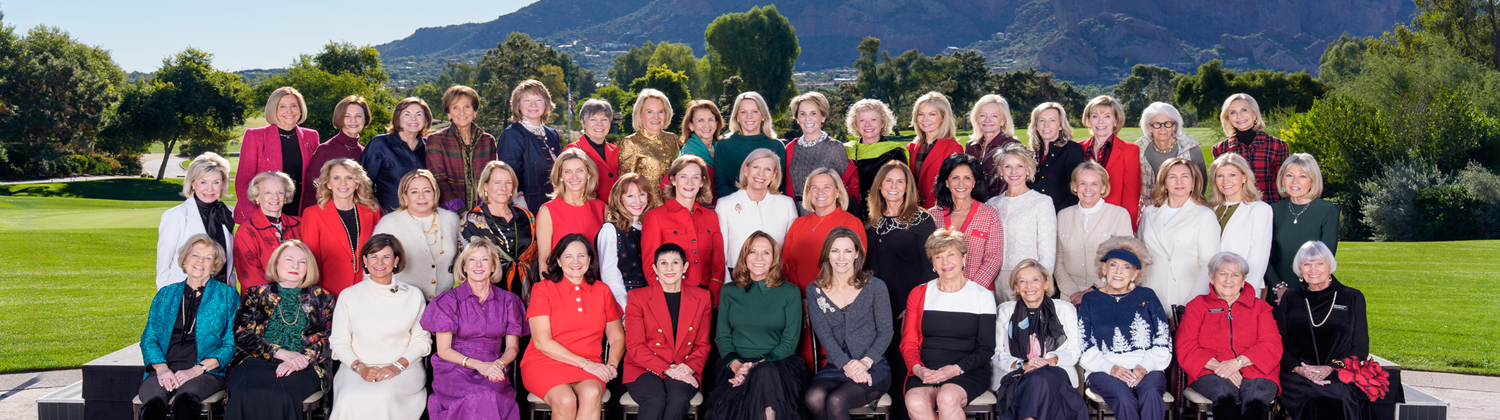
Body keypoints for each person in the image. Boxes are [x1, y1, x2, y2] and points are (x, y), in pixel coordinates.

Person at [422, 238, 531, 420]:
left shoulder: (509, 301)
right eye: (472, 260)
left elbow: (513, 347)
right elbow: (443, 350)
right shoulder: (447, 301)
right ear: (464, 267)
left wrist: (499, 365)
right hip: (454, 367)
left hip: (494, 363)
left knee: (490, 395)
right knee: (474, 396)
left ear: (493, 266)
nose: (478, 265)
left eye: (485, 259)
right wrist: (479, 365)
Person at [520, 234, 626, 420]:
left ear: (590, 260)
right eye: (568, 256)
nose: (575, 261)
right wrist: (586, 364)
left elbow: (617, 337)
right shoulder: (543, 289)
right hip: (544, 361)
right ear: (558, 261)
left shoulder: (602, 290)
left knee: (592, 393)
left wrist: (611, 365)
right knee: (565, 400)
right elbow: (542, 342)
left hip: (590, 362)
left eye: (581, 256)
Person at [704, 232, 808, 420]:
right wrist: (738, 367)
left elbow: (790, 341)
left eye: (766, 252)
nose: (759, 258)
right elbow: (722, 337)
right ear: (745, 256)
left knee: (765, 373)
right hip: (735, 364)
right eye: (753, 251)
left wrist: (756, 366)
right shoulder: (728, 291)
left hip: (777, 364)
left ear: (774, 258)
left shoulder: (790, 292)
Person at [226, 240, 334, 420]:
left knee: (281, 394)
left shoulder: (323, 297)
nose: (295, 266)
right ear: (276, 263)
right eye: (289, 259)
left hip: (304, 364)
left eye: (302, 261)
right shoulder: (255, 294)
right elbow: (241, 334)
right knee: (245, 392)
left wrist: (302, 359)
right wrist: (278, 352)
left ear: (309, 267)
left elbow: (329, 337)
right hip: (255, 360)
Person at [329, 234, 433, 419]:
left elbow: (422, 341)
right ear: (365, 260)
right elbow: (339, 342)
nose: (379, 262)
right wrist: (361, 368)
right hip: (355, 367)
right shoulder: (348, 296)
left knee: (383, 396)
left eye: (386, 257)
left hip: (404, 368)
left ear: (396, 261)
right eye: (373, 256)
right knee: (349, 398)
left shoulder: (413, 295)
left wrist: (396, 367)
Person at [862, 161, 937, 414]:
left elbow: (930, 267)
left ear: (907, 187)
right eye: (889, 181)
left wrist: (912, 306)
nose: (894, 186)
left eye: (900, 182)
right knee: (885, 363)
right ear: (879, 185)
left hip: (910, 304)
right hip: (878, 306)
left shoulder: (921, 219)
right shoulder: (871, 220)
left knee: (906, 363)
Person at [138, 235, 239, 420]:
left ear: (214, 265)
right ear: (184, 259)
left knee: (185, 402)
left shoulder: (227, 296)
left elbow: (231, 343)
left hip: (206, 371)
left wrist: (197, 369)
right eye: (195, 255)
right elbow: (149, 338)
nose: (200, 261)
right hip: (164, 366)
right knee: (153, 403)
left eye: (208, 258)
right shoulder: (165, 294)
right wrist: (162, 368)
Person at [901, 230, 997, 420]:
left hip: (967, 370)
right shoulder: (919, 293)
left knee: (947, 398)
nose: (945, 262)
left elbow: (986, 349)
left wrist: (954, 369)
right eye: (938, 257)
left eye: (951, 254)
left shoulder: (982, 296)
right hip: (926, 370)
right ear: (933, 263)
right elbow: (908, 343)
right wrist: (919, 369)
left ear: (964, 257)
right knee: (915, 401)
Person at [1176, 252, 1283, 420]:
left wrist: (1236, 363)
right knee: (1226, 399)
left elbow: (1271, 344)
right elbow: (1186, 346)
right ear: (1211, 277)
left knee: (1255, 401)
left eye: (1235, 275)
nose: (1228, 280)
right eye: (1222, 274)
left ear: (1244, 279)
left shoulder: (1260, 307)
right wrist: (1221, 367)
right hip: (1210, 370)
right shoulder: (1197, 306)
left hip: (1256, 369)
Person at [1076, 237, 1172, 420]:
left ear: (1135, 274)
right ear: (1104, 268)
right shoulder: (1090, 300)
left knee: (1151, 393)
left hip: (1147, 367)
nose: (1119, 271)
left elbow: (1163, 338)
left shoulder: (1148, 296)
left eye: (1127, 267)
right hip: (1103, 370)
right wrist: (1111, 368)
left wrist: (1144, 367)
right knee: (1124, 397)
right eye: (1113, 265)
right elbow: (1084, 343)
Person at [804, 227, 894, 420]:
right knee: (814, 397)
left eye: (847, 251)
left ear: (857, 254)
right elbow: (824, 335)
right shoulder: (814, 290)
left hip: (873, 364)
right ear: (827, 254)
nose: (841, 257)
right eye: (835, 251)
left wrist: (865, 363)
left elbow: (886, 332)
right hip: (837, 366)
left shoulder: (875, 287)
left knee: (836, 400)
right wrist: (846, 365)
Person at [1276, 241, 1368, 420]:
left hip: (1338, 371)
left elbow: (1361, 347)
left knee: (1339, 398)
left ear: (1330, 266)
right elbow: (1279, 343)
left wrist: (1331, 368)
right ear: (1299, 269)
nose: (1313, 270)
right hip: (1297, 374)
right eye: (1307, 264)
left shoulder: (1352, 297)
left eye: (1319, 263)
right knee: (1313, 397)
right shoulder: (1290, 298)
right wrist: (1298, 369)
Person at [624, 244, 715, 420]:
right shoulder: (638, 297)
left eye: (675, 262)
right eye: (663, 263)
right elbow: (635, 346)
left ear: (685, 267)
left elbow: (703, 344)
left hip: (684, 365)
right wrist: (668, 370)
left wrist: (688, 367)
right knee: (655, 400)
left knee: (678, 399)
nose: (669, 268)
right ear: (655, 268)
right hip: (643, 367)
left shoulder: (702, 297)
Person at [990, 260, 1088, 420]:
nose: (1029, 286)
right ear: (1016, 287)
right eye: (1022, 281)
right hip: (1016, 373)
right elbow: (996, 353)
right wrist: (1023, 364)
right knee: (1037, 381)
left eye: (1035, 279)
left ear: (1046, 283)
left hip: (1056, 370)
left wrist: (1050, 360)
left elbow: (1075, 350)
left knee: (1039, 379)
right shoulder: (1005, 311)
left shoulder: (1064, 309)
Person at [1138, 157, 1221, 311]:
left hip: (1185, 296)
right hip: (1150, 295)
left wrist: (1189, 307)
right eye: (1172, 177)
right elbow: (1140, 256)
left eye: (1185, 176)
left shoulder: (1204, 215)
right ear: (1164, 182)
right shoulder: (1149, 213)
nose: (1179, 182)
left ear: (1194, 182)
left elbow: (1209, 266)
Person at [642, 155, 726, 301]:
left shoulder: (711, 217)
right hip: (671, 295)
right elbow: (650, 265)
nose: (689, 183)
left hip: (706, 295)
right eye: (683, 176)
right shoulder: (655, 216)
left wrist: (713, 295)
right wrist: (665, 298)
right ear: (673, 180)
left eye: (695, 177)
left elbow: (718, 263)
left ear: (702, 182)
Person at [371, 169, 462, 299]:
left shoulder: (451, 220)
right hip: (402, 301)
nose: (421, 197)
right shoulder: (389, 223)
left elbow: (461, 260)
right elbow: (373, 265)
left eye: (427, 191)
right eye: (414, 192)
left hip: (444, 302)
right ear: (405, 197)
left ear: (435, 194)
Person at [301, 159, 383, 296]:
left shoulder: (372, 212)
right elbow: (311, 259)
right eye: (336, 178)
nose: (343, 183)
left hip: (366, 288)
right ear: (328, 183)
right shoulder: (313, 214)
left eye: (349, 177)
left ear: (357, 183)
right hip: (329, 291)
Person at [1055, 162, 1133, 304]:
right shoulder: (1062, 216)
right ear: (1074, 186)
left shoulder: (1119, 215)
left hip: (1107, 294)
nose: (1088, 189)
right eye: (1082, 183)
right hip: (1069, 298)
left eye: (1094, 184)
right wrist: (1073, 293)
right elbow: (1058, 260)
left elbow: (1124, 259)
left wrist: (1093, 289)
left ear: (1103, 188)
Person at [985, 144, 1056, 300]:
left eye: (1019, 166)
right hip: (993, 278)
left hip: (1026, 280)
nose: (1014, 172)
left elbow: (1048, 251)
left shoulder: (1041, 202)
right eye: (1008, 167)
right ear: (1000, 170)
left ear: (1028, 169)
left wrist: (1042, 283)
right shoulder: (992, 204)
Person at [716, 149, 798, 280]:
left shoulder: (787, 205)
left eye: (768, 169)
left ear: (774, 175)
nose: (761, 174)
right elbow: (721, 253)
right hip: (736, 279)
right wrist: (727, 285)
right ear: (745, 169)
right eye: (756, 167)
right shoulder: (725, 205)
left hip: (774, 280)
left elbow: (792, 251)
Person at [238, 86, 319, 221]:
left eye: (294, 106)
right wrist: (255, 219)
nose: (289, 111)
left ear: (301, 109)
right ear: (273, 109)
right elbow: (243, 182)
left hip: (301, 209)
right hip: (265, 211)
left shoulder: (311, 136)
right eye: (282, 106)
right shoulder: (255, 136)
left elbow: (315, 178)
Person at [1266, 154, 1339, 303]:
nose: (1295, 181)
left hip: (1313, 291)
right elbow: (1263, 255)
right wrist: (1279, 287)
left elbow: (1325, 259)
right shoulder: (1271, 210)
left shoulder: (1328, 210)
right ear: (1282, 179)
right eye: (1289, 175)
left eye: (1302, 176)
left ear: (1313, 180)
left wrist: (1301, 293)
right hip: (1277, 293)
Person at [461, 161, 538, 301]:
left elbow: (537, 258)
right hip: (490, 300)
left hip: (530, 295)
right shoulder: (471, 221)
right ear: (485, 186)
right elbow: (466, 266)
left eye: (508, 183)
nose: (503, 188)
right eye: (497, 182)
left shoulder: (527, 216)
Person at [157, 152, 236, 287]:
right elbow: (163, 266)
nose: (210, 189)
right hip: (185, 292)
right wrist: (166, 296)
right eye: (203, 182)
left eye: (216, 182)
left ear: (223, 183)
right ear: (192, 183)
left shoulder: (227, 213)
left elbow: (229, 261)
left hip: (223, 292)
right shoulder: (174, 216)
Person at [928, 154, 1003, 290]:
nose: (961, 184)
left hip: (979, 292)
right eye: (955, 178)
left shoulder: (989, 214)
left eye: (967, 178)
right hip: (942, 291)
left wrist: (970, 290)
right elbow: (928, 259)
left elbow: (993, 258)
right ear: (946, 182)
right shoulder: (932, 215)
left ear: (974, 182)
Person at [1209, 153, 1273, 296]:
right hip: (1209, 288)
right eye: (1220, 176)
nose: (1225, 181)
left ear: (1244, 177)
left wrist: (1245, 292)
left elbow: (1259, 257)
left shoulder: (1260, 210)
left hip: (1241, 289)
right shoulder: (1209, 208)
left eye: (1232, 175)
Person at [785, 92, 859, 214]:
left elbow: (848, 186)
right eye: (802, 114)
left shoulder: (835, 147)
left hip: (826, 211)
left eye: (813, 113)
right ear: (797, 118)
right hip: (794, 212)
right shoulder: (790, 148)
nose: (807, 118)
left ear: (823, 116)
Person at [496, 79, 563, 214]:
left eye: (538, 100)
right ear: (518, 105)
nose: (533, 105)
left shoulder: (552, 134)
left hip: (556, 204)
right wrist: (522, 208)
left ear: (546, 104)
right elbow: (509, 175)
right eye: (527, 100)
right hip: (528, 207)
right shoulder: (512, 134)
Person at [427, 85, 498, 212]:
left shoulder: (488, 141)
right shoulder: (436, 140)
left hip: (484, 212)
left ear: (474, 111)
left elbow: (491, 179)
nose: (462, 113)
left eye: (467, 107)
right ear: (448, 113)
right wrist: (461, 211)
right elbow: (438, 181)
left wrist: (482, 210)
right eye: (455, 108)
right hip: (448, 214)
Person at [536, 149, 606, 273]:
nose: (574, 177)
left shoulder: (602, 208)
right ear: (560, 176)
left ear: (589, 173)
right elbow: (544, 260)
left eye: (580, 170)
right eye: (568, 172)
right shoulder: (547, 211)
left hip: (595, 281)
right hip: (560, 282)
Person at [1079, 95, 1143, 226]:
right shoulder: (1077, 148)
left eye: (1107, 116)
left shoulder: (1129, 150)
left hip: (1112, 221)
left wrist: (1126, 228)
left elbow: (1131, 195)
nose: (1100, 121)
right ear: (1089, 120)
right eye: (1095, 116)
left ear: (1116, 120)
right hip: (1081, 220)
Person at [1212, 93, 1288, 204]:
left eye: (1244, 110)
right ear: (1228, 118)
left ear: (1254, 114)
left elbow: (1283, 184)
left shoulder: (1277, 145)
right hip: (1236, 209)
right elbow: (1220, 185)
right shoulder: (1220, 149)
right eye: (1233, 112)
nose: (1239, 116)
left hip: (1270, 207)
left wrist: (1284, 206)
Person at [233, 171, 303, 291]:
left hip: (300, 295)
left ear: (286, 197)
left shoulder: (300, 224)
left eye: (280, 192)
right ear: (257, 196)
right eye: (267, 192)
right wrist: (282, 296)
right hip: (262, 298)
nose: (275, 197)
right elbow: (250, 275)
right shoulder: (246, 231)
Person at [362, 97, 433, 213]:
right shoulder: (380, 144)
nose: (413, 119)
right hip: (389, 215)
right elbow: (364, 184)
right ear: (398, 118)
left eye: (419, 114)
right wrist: (380, 211)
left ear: (426, 119)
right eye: (407, 114)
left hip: (424, 215)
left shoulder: (429, 146)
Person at [300, 95, 369, 212]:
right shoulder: (325, 150)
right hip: (326, 213)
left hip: (356, 214)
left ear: (365, 119)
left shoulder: (364, 152)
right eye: (347, 116)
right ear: (339, 118)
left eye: (358, 116)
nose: (353, 120)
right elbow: (312, 190)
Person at [599, 174, 657, 309]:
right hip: (626, 303)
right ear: (619, 199)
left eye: (642, 194)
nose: (638, 201)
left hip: (654, 301)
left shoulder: (653, 225)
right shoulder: (610, 230)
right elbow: (610, 276)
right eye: (630, 196)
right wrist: (626, 308)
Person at [844, 99, 908, 221]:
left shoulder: (894, 152)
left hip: (886, 216)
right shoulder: (846, 152)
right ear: (856, 125)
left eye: (873, 119)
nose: (867, 125)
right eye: (862, 120)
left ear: (882, 123)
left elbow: (903, 189)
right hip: (851, 216)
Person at [1135, 102, 1206, 210]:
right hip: (1150, 212)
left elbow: (1201, 184)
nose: (1162, 129)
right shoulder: (1138, 150)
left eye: (1167, 123)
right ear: (1149, 127)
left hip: (1185, 211)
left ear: (1175, 125)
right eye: (1157, 124)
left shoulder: (1191, 149)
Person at [713, 92, 784, 198]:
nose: (749, 116)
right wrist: (743, 202)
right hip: (734, 204)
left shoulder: (776, 145)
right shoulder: (724, 145)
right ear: (737, 116)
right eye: (743, 112)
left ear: (763, 115)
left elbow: (781, 184)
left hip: (769, 205)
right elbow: (720, 182)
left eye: (755, 111)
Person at [905, 92, 966, 209]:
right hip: (912, 211)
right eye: (921, 114)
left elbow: (957, 187)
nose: (925, 119)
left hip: (939, 211)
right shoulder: (911, 148)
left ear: (943, 117)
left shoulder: (953, 148)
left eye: (932, 114)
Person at [1027, 102, 1087, 213]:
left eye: (1052, 120)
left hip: (1061, 216)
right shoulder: (1030, 153)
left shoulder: (1072, 149)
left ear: (1060, 125)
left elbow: (1075, 191)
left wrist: (1055, 215)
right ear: (1036, 126)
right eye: (1042, 120)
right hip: (1032, 216)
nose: (1046, 125)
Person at [620, 88, 681, 187]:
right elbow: (625, 185)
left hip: (674, 197)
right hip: (646, 197)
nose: (656, 117)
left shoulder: (672, 138)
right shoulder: (630, 142)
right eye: (649, 112)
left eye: (660, 111)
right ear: (640, 114)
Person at [965, 94, 1022, 196]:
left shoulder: (1013, 146)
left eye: (994, 116)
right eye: (982, 115)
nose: (987, 120)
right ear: (976, 119)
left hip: (1001, 203)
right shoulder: (971, 146)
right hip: (974, 203)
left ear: (1003, 120)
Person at [565, 99, 621, 202]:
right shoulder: (573, 151)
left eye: (604, 119)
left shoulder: (616, 151)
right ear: (583, 122)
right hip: (588, 209)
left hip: (616, 210)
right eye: (593, 119)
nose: (599, 124)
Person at [678, 100, 723, 192]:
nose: (707, 125)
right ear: (691, 126)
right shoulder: (688, 155)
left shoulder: (721, 148)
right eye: (700, 120)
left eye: (711, 119)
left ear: (716, 123)